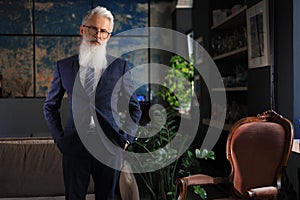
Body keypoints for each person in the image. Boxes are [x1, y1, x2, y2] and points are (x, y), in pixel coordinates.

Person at [43, 6, 142, 200]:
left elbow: (134, 108)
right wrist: (59, 139)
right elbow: (50, 106)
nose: (98, 35)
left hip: (109, 147)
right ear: (82, 30)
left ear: (108, 36)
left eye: (104, 31)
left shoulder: (119, 67)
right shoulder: (63, 67)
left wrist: (126, 138)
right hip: (74, 147)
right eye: (93, 29)